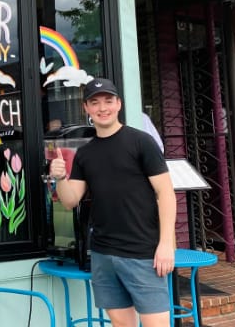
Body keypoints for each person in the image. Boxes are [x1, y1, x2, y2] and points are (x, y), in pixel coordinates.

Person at [49, 78, 176, 327]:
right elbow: (70, 200)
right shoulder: (85, 153)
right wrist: (60, 178)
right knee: (121, 324)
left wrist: (166, 244)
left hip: (143, 252)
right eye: (95, 103)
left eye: (108, 101)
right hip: (103, 253)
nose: (102, 108)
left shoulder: (141, 142)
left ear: (118, 104)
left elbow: (166, 194)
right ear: (86, 108)